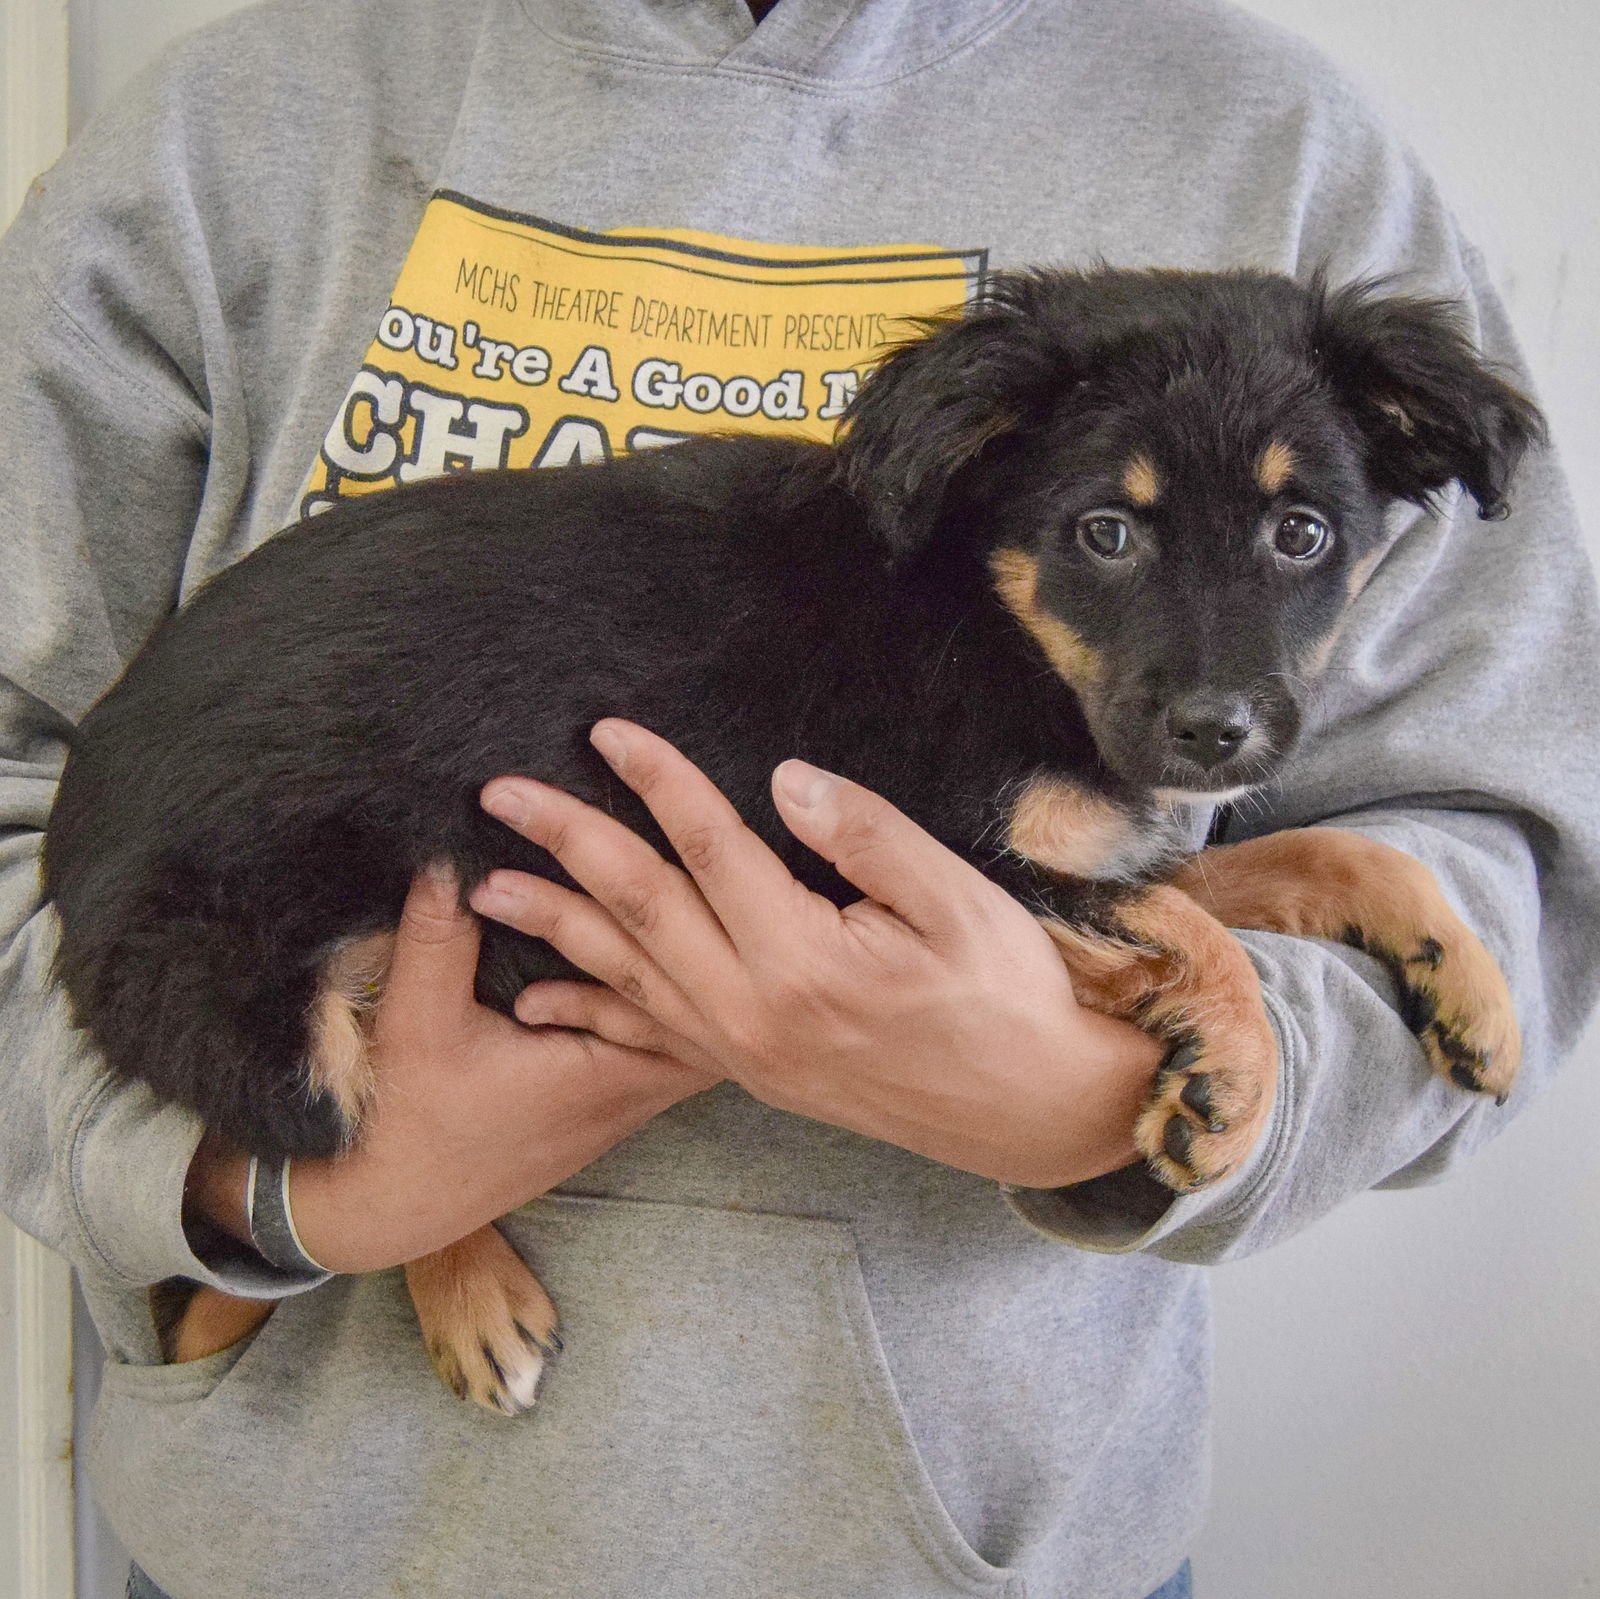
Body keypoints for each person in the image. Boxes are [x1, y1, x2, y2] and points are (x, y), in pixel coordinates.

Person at [2, 1, 1596, 1596]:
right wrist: (286, 1200)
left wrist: (1109, 1102)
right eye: (1111, 538)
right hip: (300, 1541)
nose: (1214, 669)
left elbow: (1492, 820)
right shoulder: (236, 132)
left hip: (976, 1551)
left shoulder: (1280, 145)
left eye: (1294, 541)